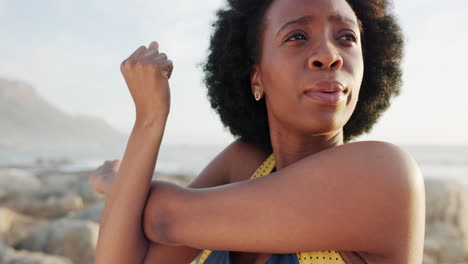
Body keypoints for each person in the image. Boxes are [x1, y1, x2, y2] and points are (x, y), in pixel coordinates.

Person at [92, 0, 426, 263]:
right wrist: (150, 117)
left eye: (347, 37)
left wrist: (118, 184)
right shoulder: (244, 164)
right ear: (257, 77)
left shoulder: (384, 176)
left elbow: (164, 219)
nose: (329, 55)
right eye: (297, 36)